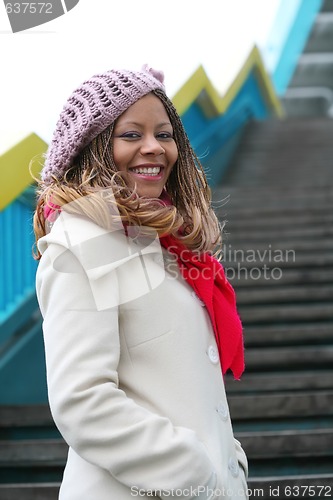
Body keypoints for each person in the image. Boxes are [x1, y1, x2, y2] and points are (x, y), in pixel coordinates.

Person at [33, 64, 248, 500]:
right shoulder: (80, 245)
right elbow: (82, 400)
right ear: (92, 148)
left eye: (164, 135)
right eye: (131, 135)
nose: (153, 148)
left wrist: (231, 465)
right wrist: (197, 474)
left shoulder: (167, 250)